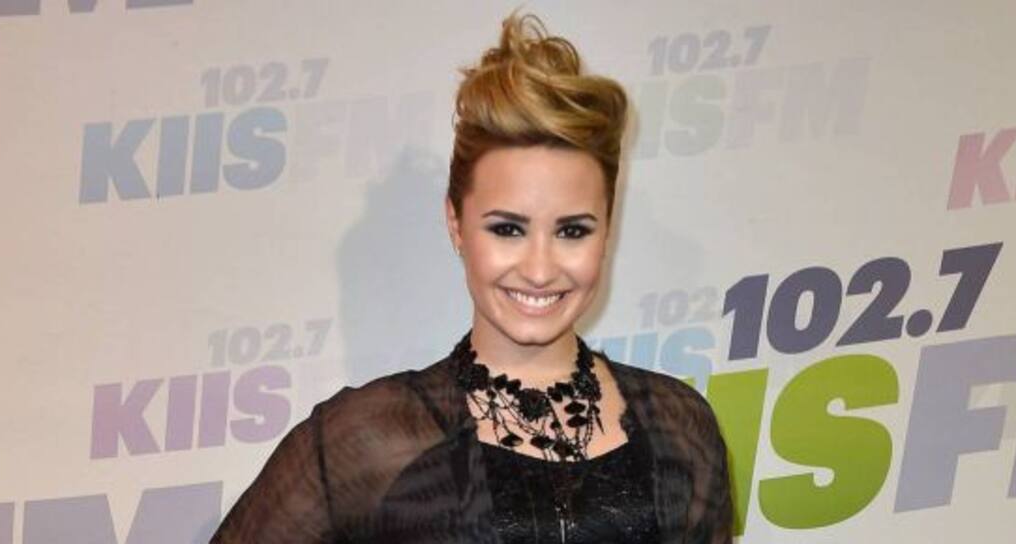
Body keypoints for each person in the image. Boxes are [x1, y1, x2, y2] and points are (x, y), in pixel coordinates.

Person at [211, 12, 732, 544]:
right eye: (508, 229)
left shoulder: (680, 427)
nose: (539, 269)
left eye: (572, 231)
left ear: (607, 230)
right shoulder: (367, 439)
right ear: (456, 223)